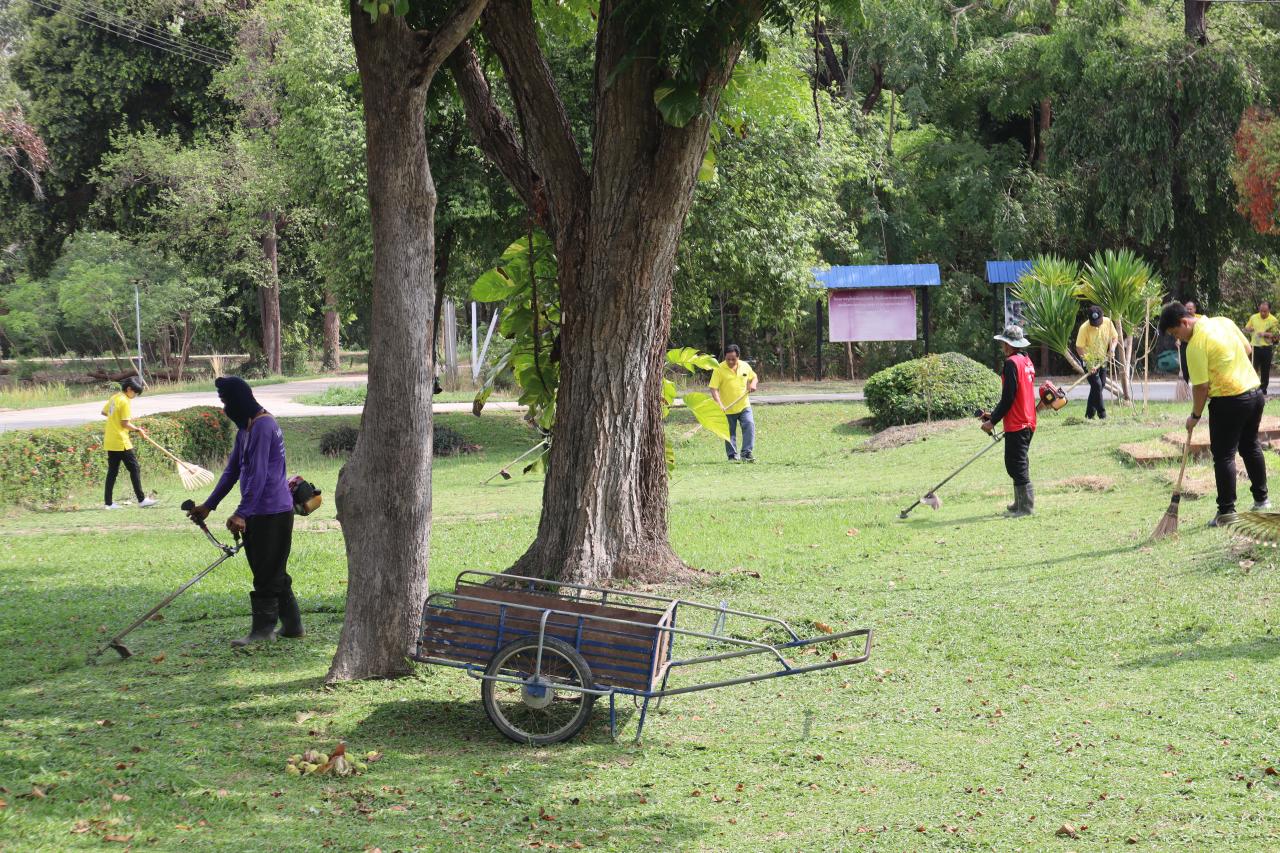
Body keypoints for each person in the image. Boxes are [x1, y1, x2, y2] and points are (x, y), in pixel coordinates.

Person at [187, 377, 303, 646]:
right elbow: (232, 471)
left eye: (227, 401)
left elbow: (260, 474)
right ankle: (293, 626)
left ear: (240, 400)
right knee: (273, 572)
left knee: (266, 575)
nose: (225, 408)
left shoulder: (264, 426)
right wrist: (208, 505)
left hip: (273, 512)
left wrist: (241, 513)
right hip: (259, 512)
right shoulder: (246, 430)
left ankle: (262, 632)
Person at [1159, 302, 1269, 527]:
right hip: (1254, 395)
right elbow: (1247, 349)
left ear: (1185, 321)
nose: (1177, 339)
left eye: (1175, 333)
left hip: (1229, 401)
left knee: (1224, 455)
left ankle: (1226, 513)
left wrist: (1195, 416)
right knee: (1250, 446)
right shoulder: (1223, 322)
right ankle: (1262, 500)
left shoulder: (1196, 345)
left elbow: (1201, 387)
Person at [982, 325, 1037, 517]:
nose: (1002, 346)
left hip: (1018, 421)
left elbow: (1008, 397)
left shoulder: (1011, 363)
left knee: (1016, 464)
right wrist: (993, 414)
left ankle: (1026, 507)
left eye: (1004, 343)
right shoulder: (1026, 360)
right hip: (1028, 419)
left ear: (1009, 344)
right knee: (1017, 461)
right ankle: (1019, 502)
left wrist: (993, 421)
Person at [102, 376, 157, 509]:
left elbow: (104, 413)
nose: (135, 395)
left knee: (112, 472)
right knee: (134, 468)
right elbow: (125, 423)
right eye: (135, 392)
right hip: (121, 441)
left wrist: (115, 419)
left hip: (110, 439)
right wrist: (138, 429)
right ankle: (142, 500)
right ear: (129, 389)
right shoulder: (125, 401)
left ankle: (108, 503)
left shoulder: (115, 397)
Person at [708, 344, 759, 462]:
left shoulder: (745, 366)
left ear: (738, 357)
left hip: (744, 406)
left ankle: (746, 453)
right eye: (728, 359)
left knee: (749, 425)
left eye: (733, 359)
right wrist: (719, 404)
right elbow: (713, 388)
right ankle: (732, 455)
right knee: (729, 433)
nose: (730, 361)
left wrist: (753, 384)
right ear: (725, 357)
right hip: (727, 408)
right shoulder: (719, 369)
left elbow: (754, 377)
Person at [1073, 305, 1118, 420]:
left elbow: (1114, 338)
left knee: (1099, 386)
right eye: (1094, 322)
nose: (1097, 324)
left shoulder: (1108, 322)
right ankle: (1102, 415)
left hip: (1103, 358)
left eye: (1099, 322)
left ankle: (1089, 415)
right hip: (1089, 360)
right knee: (1097, 385)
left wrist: (1112, 348)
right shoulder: (1084, 328)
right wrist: (1089, 362)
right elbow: (1079, 347)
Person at [1244, 300, 1278, 395]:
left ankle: (1263, 390)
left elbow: (1276, 335)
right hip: (1255, 347)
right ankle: (1252, 389)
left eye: (1265, 311)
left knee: (1265, 370)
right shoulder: (1254, 317)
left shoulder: (1274, 320)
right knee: (1253, 368)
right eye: (1261, 311)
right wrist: (1249, 329)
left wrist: (1264, 334)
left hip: (1267, 347)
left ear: (1269, 310)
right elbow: (1246, 328)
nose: (1262, 313)